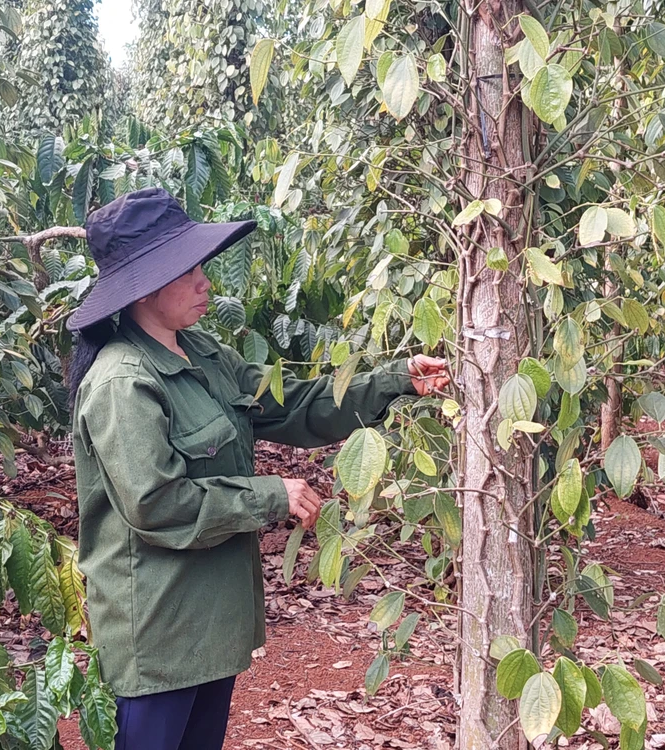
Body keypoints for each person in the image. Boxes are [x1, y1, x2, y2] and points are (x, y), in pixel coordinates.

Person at [65, 188, 449, 750]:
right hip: (157, 632)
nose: (206, 284)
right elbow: (157, 504)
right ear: (144, 287)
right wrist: (270, 495)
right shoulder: (123, 382)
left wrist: (396, 381)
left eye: (202, 267)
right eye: (189, 271)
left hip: (211, 624)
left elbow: (293, 404)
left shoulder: (202, 352)